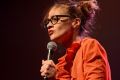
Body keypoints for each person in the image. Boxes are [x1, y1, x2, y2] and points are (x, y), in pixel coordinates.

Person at [40, 0, 111, 80]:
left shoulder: (90, 46)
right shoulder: (61, 66)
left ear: (76, 22)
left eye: (55, 19)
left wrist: (57, 76)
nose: (49, 25)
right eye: (48, 21)